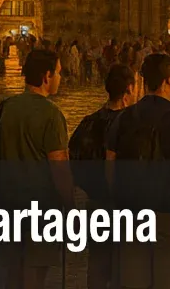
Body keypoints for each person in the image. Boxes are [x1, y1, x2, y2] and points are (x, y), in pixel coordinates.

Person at [0, 49, 76, 289]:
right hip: (40, 210)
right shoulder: (51, 115)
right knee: (34, 275)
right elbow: (59, 167)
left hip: (7, 205)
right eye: (59, 73)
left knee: (13, 272)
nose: (61, 78)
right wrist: (71, 208)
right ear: (46, 76)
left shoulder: (6, 107)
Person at [106, 53, 170, 289]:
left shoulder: (124, 116)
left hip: (131, 212)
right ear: (168, 80)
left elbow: (110, 166)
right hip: (167, 213)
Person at [69, 64, 138, 289]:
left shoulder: (89, 122)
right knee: (126, 268)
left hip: (96, 203)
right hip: (128, 207)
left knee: (97, 264)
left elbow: (74, 161)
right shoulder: (135, 126)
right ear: (129, 89)